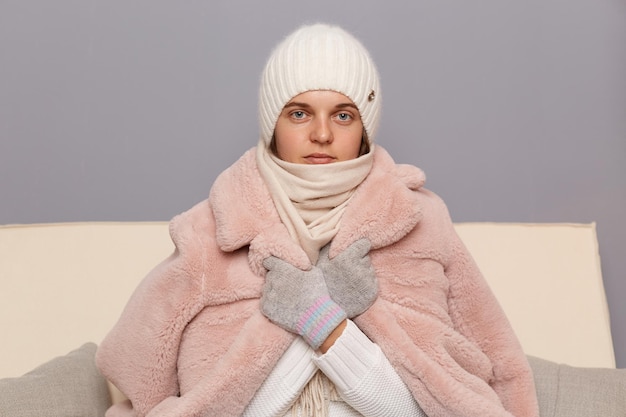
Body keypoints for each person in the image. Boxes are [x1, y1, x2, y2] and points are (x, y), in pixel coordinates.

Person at [96, 23, 540, 417]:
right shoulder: (211, 228)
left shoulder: (422, 220)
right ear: (274, 123)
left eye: (343, 115)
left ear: (365, 126)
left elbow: (454, 394)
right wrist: (317, 316)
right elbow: (161, 383)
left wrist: (326, 327)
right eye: (300, 113)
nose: (322, 134)